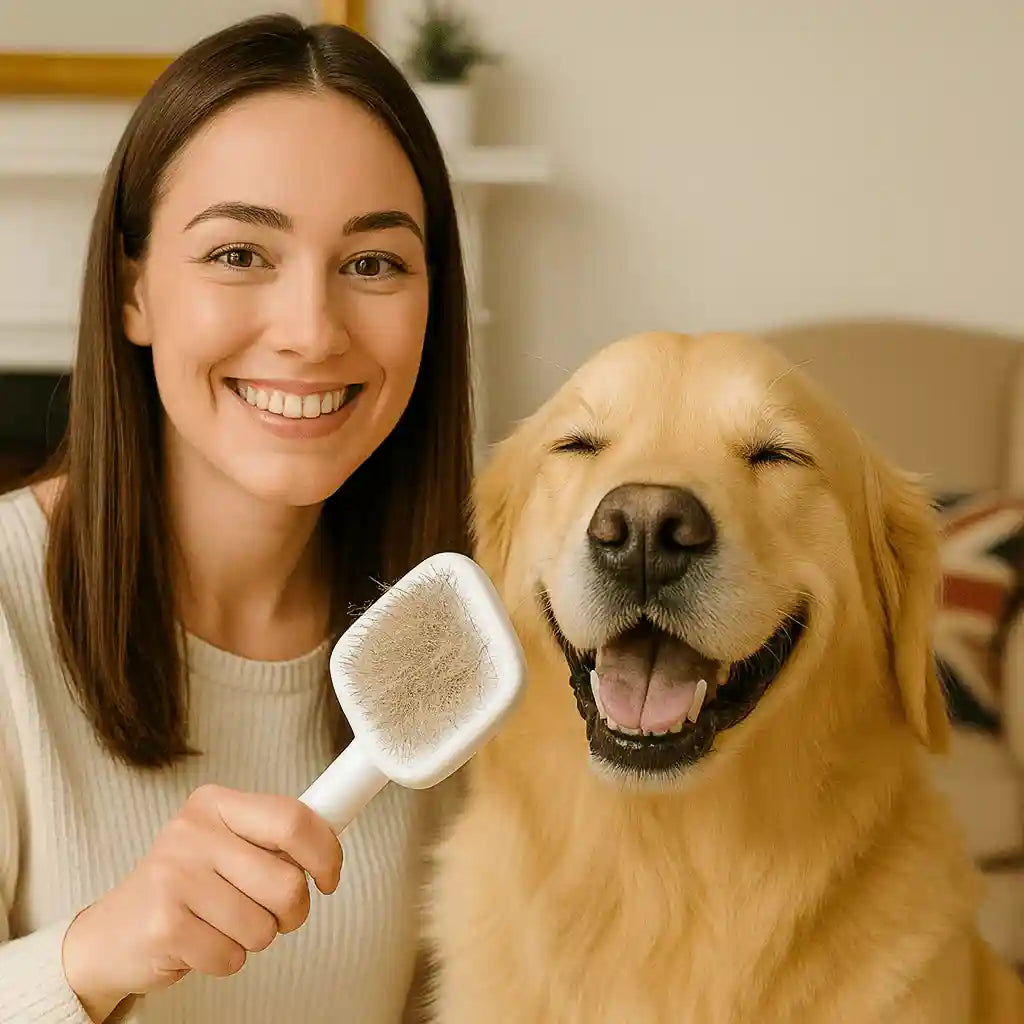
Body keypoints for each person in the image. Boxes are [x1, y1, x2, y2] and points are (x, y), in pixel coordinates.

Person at [0, 13, 472, 1023]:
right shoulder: (4, 609)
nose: (309, 331)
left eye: (374, 264)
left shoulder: (457, 644)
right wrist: (93, 952)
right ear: (133, 291)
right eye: (239, 253)